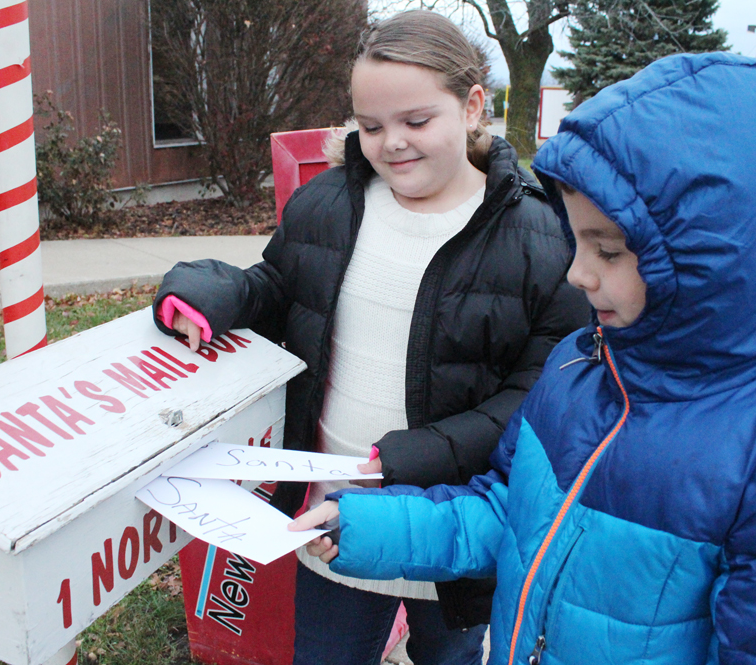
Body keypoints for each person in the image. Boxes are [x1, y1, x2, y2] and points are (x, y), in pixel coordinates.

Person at [291, 51, 756, 664]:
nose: (577, 273)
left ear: (717, 264)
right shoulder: (578, 370)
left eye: (609, 252)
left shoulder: (740, 454)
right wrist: (367, 524)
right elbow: (505, 510)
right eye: (576, 240)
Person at [153, 10, 586, 664]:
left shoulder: (540, 237)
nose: (391, 144)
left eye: (415, 121)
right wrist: (208, 293)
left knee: (452, 655)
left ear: (472, 106)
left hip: (457, 526)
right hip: (334, 517)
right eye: (371, 125)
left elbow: (537, 392)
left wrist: (410, 457)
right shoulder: (328, 203)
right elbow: (279, 285)